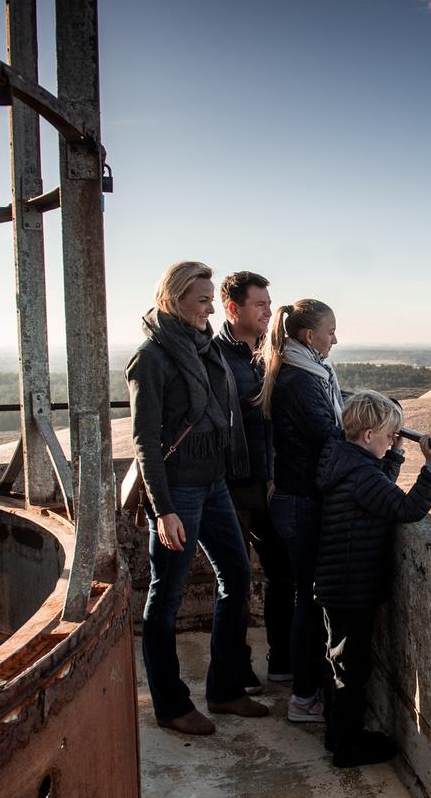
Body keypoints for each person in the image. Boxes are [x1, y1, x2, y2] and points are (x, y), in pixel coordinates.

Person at [127, 260, 269, 736]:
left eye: (212, 298)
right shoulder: (152, 358)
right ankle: (170, 705)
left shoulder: (205, 348)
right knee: (165, 598)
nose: (212, 308)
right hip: (178, 490)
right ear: (176, 298)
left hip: (213, 483)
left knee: (238, 572)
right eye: (204, 300)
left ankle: (225, 690)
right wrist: (163, 509)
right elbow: (145, 439)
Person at [315, 390, 431, 767]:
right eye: (389, 436)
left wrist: (397, 454)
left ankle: (336, 735)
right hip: (353, 586)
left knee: (337, 660)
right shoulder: (360, 474)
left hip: (336, 582)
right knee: (351, 670)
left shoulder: (346, 461)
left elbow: (376, 489)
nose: (392, 442)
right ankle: (348, 748)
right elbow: (406, 508)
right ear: (368, 435)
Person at [256, 299, 343, 722]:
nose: (335, 339)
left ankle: (297, 685)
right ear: (309, 336)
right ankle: (304, 699)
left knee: (302, 598)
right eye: (330, 331)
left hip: (293, 500)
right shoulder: (303, 381)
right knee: (310, 601)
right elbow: (330, 438)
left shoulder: (299, 372)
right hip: (302, 504)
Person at [214, 271, 294, 689]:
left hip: (271, 483)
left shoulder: (270, 353)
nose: (268, 311)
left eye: (268, 302)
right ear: (234, 308)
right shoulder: (213, 355)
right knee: (235, 579)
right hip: (231, 486)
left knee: (284, 572)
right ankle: (237, 668)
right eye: (259, 304)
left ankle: (281, 659)